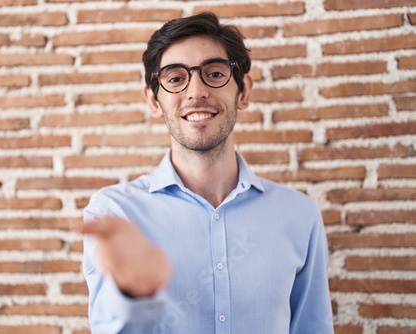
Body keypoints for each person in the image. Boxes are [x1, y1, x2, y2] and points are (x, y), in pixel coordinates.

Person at [81, 12, 334, 334]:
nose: (196, 91)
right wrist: (136, 294)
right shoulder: (115, 213)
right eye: (175, 79)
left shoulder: (299, 214)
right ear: (154, 100)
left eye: (215, 74)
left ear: (243, 91)